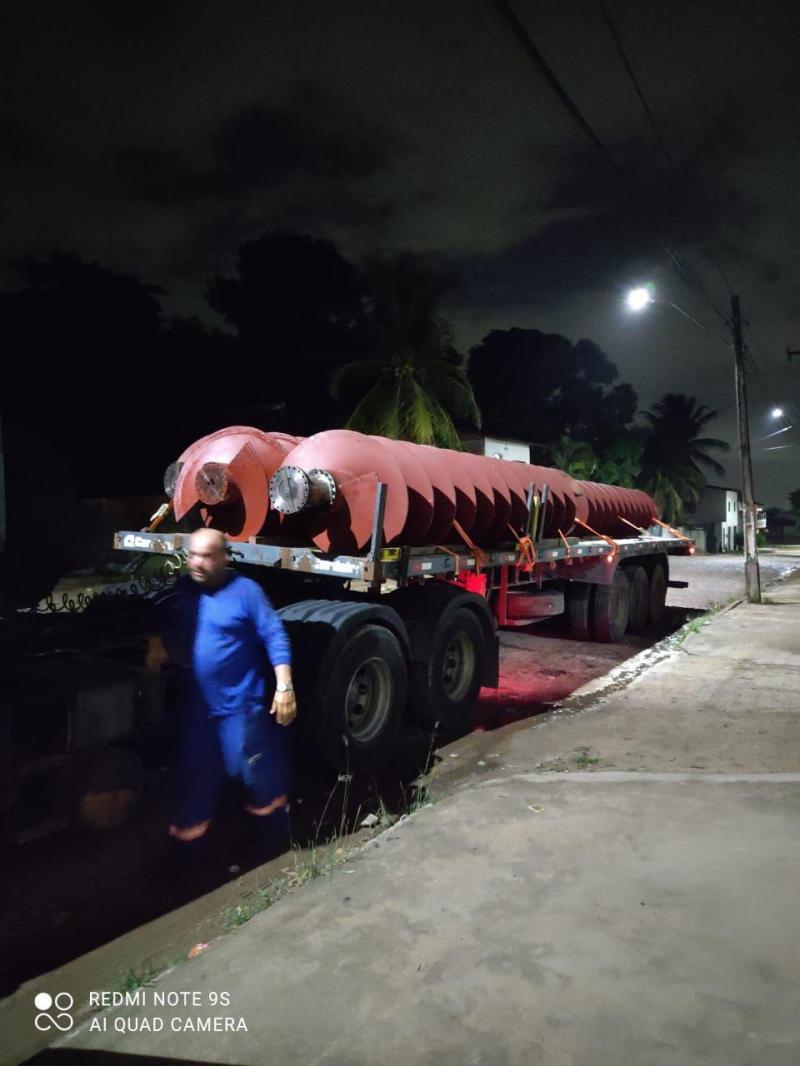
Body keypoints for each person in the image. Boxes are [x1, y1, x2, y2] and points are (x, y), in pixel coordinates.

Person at [146, 527, 297, 865]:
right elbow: (161, 616)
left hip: (241, 709)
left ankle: (274, 848)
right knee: (195, 776)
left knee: (256, 775)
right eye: (193, 555)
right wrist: (157, 645)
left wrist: (284, 686)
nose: (198, 563)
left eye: (207, 556)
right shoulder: (185, 590)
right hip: (199, 709)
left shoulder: (246, 592)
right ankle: (187, 860)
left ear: (224, 558)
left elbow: (275, 636)